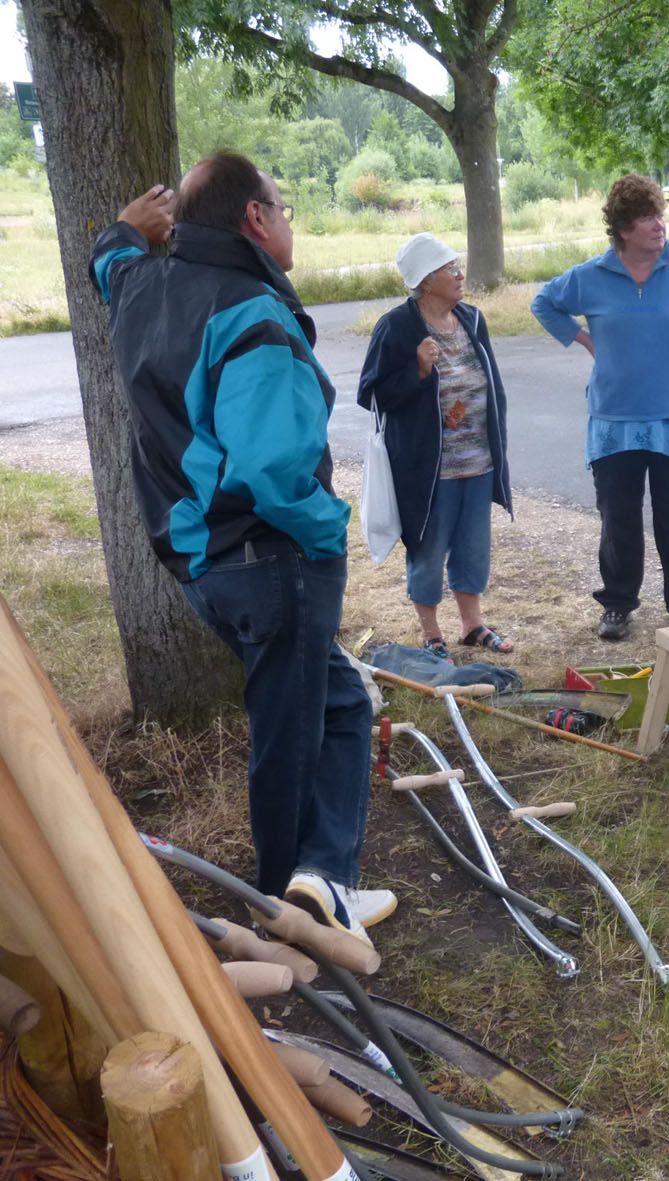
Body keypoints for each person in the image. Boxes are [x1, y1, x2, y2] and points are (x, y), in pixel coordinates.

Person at [90, 152, 389, 947]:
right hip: (271, 559)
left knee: (339, 702)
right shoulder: (253, 311)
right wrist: (329, 532)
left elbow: (109, 264)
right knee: (290, 732)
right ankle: (289, 908)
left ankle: (322, 876)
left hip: (199, 563)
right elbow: (272, 467)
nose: (288, 222)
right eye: (281, 207)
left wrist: (124, 229)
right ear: (254, 218)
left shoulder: (141, 288)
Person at [532, 175, 669, 641]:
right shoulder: (589, 276)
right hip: (615, 418)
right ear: (623, 229)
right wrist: (584, 339)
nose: (659, 226)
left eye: (660, 216)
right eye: (647, 218)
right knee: (619, 518)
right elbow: (544, 303)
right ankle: (617, 604)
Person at [357, 233, 513, 658]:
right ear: (426, 281)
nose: (460, 275)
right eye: (450, 269)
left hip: (478, 460)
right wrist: (418, 369)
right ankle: (431, 633)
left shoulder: (472, 318)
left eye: (458, 266)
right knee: (428, 548)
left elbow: (490, 383)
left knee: (473, 546)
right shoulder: (397, 327)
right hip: (427, 469)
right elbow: (371, 393)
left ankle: (472, 625)